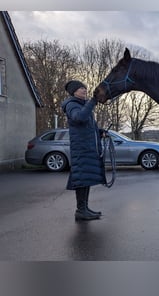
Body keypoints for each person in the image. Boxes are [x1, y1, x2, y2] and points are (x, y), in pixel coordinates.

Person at [61, 80, 106, 221]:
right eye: (81, 88)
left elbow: (85, 127)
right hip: (81, 150)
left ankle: (84, 208)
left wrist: (99, 132)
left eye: (85, 88)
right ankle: (80, 210)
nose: (85, 90)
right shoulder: (71, 105)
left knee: (86, 179)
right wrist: (92, 101)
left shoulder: (80, 105)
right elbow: (79, 118)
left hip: (87, 148)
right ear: (74, 91)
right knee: (81, 180)